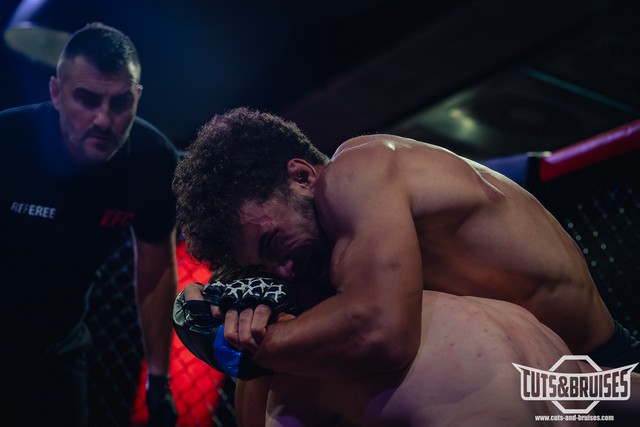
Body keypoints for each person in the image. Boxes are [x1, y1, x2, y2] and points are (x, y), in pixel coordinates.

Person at [173, 107, 638, 380]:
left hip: (605, 379)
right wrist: (244, 321)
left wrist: (242, 348)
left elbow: (382, 335)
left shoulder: (358, 170)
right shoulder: (339, 248)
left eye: (272, 242)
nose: (282, 270)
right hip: (547, 381)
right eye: (264, 266)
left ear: (301, 176)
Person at [0, 23, 178, 426]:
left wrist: (159, 381)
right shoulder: (8, 140)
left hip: (59, 351)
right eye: (87, 98)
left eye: (120, 102)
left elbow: (156, 267)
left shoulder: (152, 160)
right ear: (56, 93)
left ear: (137, 98)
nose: (103, 119)